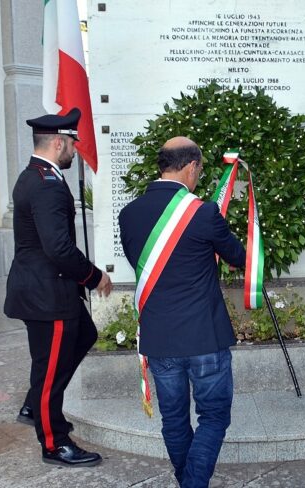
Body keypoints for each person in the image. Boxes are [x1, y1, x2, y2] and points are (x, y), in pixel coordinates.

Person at [118, 136, 246, 487]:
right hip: (204, 336)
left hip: (160, 338)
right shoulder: (203, 212)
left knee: (174, 420)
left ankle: (187, 480)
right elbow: (238, 257)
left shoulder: (128, 215)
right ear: (191, 167)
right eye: (199, 171)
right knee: (214, 416)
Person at [4, 108, 113, 467]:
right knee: (48, 370)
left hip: (47, 290)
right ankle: (54, 442)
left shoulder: (37, 175)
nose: (74, 152)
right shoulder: (46, 183)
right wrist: (95, 277)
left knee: (84, 334)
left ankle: (36, 402)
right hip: (48, 295)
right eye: (71, 145)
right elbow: (59, 249)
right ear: (58, 142)